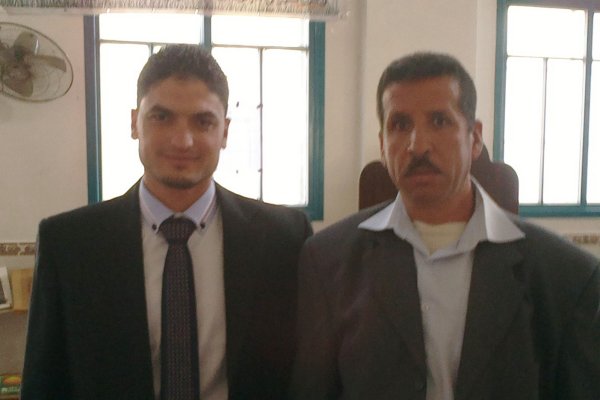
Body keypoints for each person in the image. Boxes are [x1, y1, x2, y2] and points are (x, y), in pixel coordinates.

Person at [290, 52, 600, 399]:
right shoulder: (328, 261)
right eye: (400, 125)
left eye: (439, 121)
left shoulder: (566, 276)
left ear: (475, 137)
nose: (418, 145)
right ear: (382, 145)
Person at [21, 44, 312, 400]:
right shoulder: (69, 244)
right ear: (134, 123)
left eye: (203, 122)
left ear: (225, 132)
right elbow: (44, 381)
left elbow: (306, 371)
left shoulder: (284, 238)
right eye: (161, 117)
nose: (182, 140)